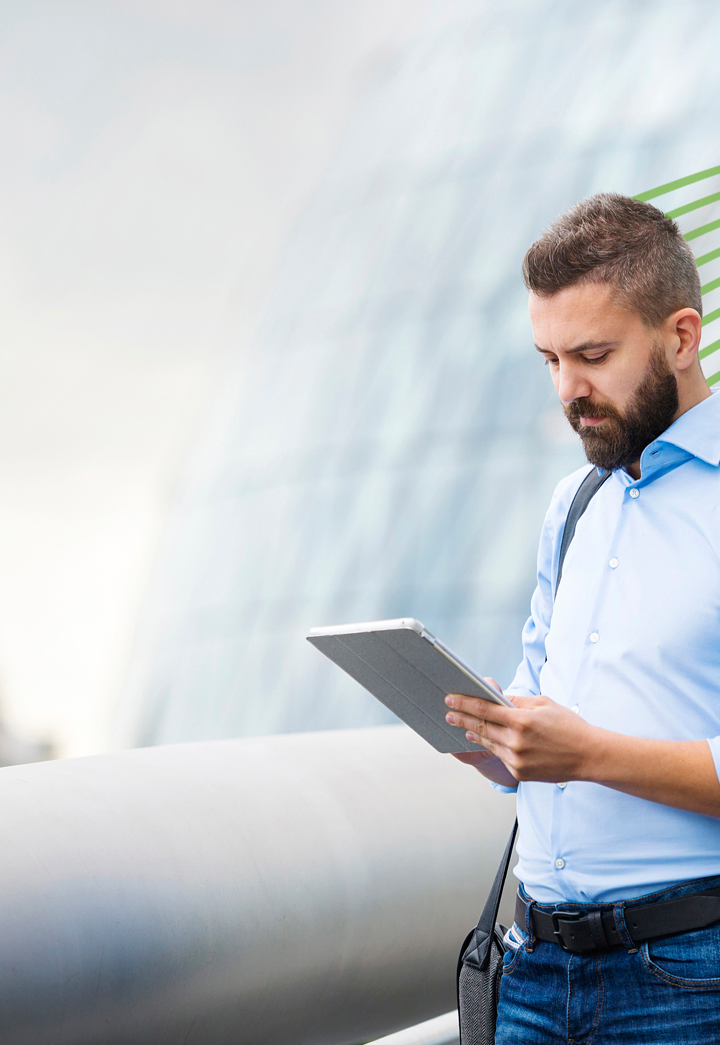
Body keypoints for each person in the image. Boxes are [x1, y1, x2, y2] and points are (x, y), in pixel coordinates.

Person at [445, 193, 720, 1043]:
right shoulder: (575, 504)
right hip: (531, 967)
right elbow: (546, 710)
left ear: (679, 336)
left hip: (686, 978)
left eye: (593, 355)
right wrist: (500, 740)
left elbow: (586, 747)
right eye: (550, 359)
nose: (569, 390)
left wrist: (588, 754)